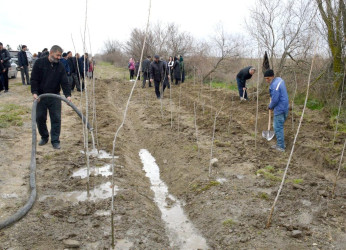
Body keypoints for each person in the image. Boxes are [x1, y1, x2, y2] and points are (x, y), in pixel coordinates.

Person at [30, 45, 71, 150]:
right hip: (40, 96)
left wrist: (68, 95)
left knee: (56, 118)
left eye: (60, 56)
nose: (59, 57)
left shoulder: (60, 66)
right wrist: (34, 93)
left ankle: (55, 140)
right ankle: (44, 137)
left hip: (55, 96)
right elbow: (34, 79)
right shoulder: (39, 63)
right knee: (40, 118)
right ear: (51, 52)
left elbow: (65, 82)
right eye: (57, 55)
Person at [264, 69, 289, 152]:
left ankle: (281, 147)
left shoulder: (275, 86)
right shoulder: (279, 80)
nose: (266, 80)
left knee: (277, 127)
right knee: (279, 126)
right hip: (285, 107)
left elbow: (275, 100)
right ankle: (280, 144)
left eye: (267, 78)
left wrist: (270, 106)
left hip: (280, 108)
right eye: (265, 79)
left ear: (272, 76)